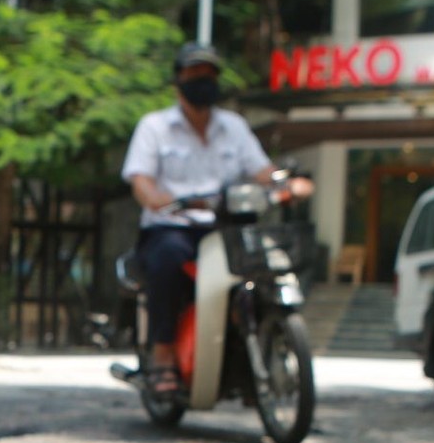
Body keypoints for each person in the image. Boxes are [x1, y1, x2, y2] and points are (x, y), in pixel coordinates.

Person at [121, 43, 312, 396]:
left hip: (226, 228)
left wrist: (287, 184)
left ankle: (257, 341)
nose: (203, 82)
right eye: (194, 75)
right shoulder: (155, 127)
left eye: (209, 75)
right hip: (173, 227)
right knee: (168, 261)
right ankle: (163, 352)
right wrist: (156, 198)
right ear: (178, 81)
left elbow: (261, 170)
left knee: (265, 264)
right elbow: (141, 180)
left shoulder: (234, 126)